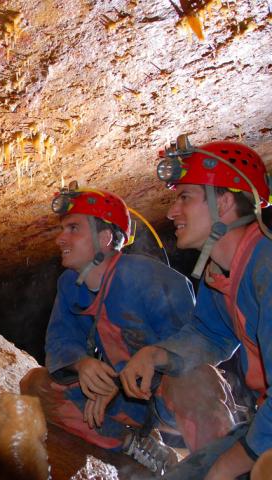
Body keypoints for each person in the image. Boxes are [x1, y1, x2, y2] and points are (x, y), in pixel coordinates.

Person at [20, 184, 236, 474]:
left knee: (194, 379)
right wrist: (83, 365)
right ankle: (135, 448)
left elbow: (193, 350)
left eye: (73, 228)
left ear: (105, 238)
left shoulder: (152, 279)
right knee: (36, 385)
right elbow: (61, 338)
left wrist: (119, 381)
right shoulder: (70, 284)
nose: (61, 239)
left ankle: (219, 467)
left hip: (167, 394)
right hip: (122, 400)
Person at [120, 135, 272, 479]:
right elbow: (211, 334)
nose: (172, 211)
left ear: (226, 204)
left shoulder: (267, 268)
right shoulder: (222, 272)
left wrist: (232, 462)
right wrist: (155, 354)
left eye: (185, 197)